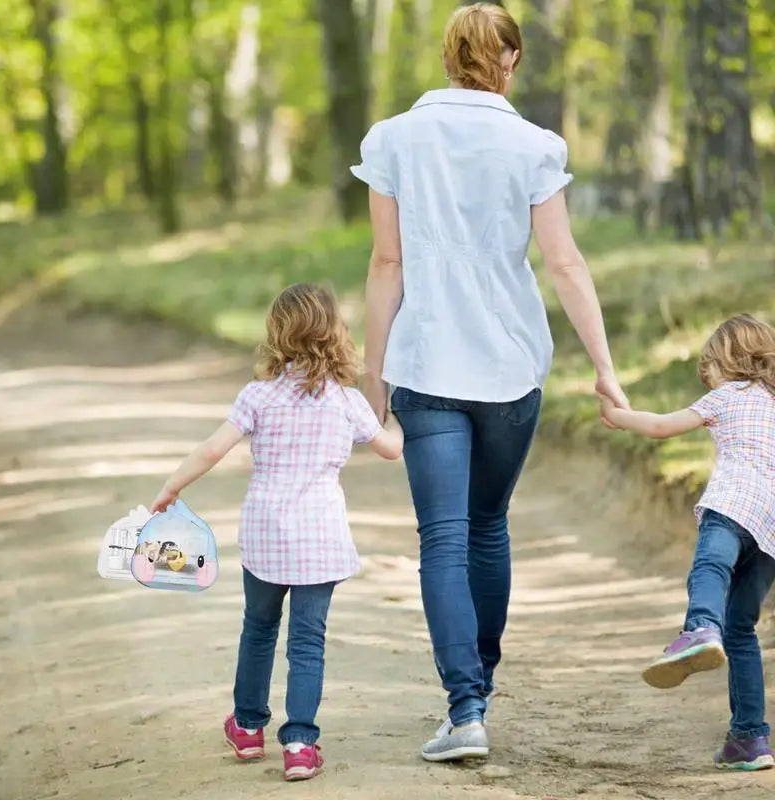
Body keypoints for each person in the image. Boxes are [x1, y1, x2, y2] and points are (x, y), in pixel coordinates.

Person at [351, 2, 628, 762]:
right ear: (508, 61)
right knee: (486, 527)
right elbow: (565, 263)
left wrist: (373, 380)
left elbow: (386, 264)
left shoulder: (394, 140)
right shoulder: (534, 145)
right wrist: (605, 370)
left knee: (441, 540)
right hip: (509, 367)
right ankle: (483, 685)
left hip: (428, 364)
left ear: (448, 57)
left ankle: (465, 707)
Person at [150, 283, 404, 782]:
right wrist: (392, 416)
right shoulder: (348, 402)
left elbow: (211, 450)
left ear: (277, 336)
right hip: (321, 537)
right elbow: (391, 449)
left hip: (266, 534)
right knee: (308, 641)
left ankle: (247, 728)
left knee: (259, 628)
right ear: (335, 335)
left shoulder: (258, 396)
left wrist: (171, 486)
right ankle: (301, 744)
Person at [599, 314, 775, 772]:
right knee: (742, 629)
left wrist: (617, 415)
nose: (706, 377)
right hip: (771, 530)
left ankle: (699, 628)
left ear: (728, 361)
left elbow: (661, 426)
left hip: (733, 505)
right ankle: (750, 738)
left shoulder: (729, 395)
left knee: (709, 568)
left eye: (709, 367)